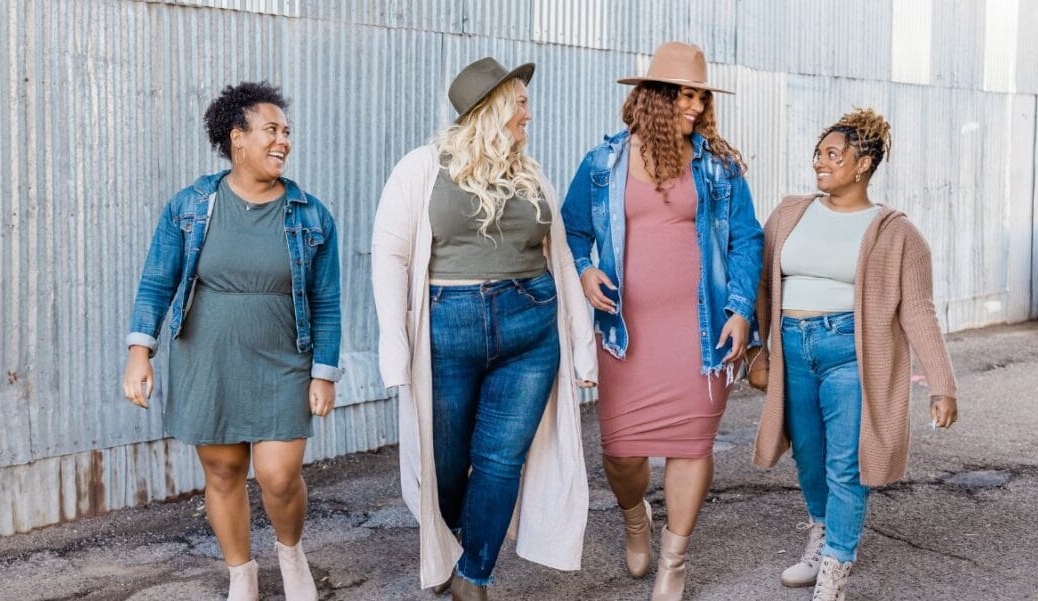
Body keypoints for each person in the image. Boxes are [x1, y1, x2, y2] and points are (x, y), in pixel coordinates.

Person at [371, 58, 597, 601]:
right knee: (444, 466)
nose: (528, 114)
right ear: (492, 107)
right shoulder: (421, 168)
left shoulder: (531, 173)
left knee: (500, 459)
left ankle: (474, 576)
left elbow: (561, 259)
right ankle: (449, 543)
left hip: (531, 328)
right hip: (448, 328)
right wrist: (394, 347)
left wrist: (583, 348)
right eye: (520, 103)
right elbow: (390, 254)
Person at [121, 82, 341, 601]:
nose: (283, 140)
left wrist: (324, 371)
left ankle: (290, 553)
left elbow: (327, 300)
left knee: (279, 474)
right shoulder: (192, 204)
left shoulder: (311, 215)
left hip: (285, 356)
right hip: (208, 355)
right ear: (237, 138)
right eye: (271, 130)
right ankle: (241, 573)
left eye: (287, 132)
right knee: (222, 470)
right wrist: (140, 353)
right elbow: (158, 280)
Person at [561, 42, 763, 601]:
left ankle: (674, 561)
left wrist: (741, 311)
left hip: (700, 333)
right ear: (654, 98)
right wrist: (583, 270)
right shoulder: (605, 163)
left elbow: (747, 238)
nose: (695, 107)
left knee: (690, 447)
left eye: (700, 96)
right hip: (627, 335)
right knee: (621, 454)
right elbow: (572, 229)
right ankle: (634, 518)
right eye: (685, 96)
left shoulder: (718, 168)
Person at [749, 108, 959, 601]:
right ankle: (820, 536)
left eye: (832, 154)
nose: (819, 163)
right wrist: (758, 348)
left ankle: (836, 569)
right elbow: (761, 282)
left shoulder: (896, 232)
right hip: (794, 349)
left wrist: (942, 383)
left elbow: (920, 311)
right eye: (818, 154)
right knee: (808, 456)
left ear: (862, 164)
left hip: (851, 354)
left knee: (845, 465)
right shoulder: (789, 213)